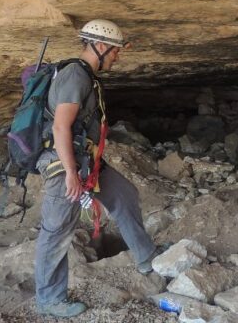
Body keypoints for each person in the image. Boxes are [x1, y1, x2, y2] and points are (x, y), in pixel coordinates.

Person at [34, 19, 157, 318]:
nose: (117, 56)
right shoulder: (75, 75)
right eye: (115, 51)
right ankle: (49, 299)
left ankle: (147, 256)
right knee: (57, 229)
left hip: (86, 160)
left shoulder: (86, 76)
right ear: (100, 46)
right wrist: (71, 173)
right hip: (63, 164)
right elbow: (61, 126)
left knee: (124, 194)